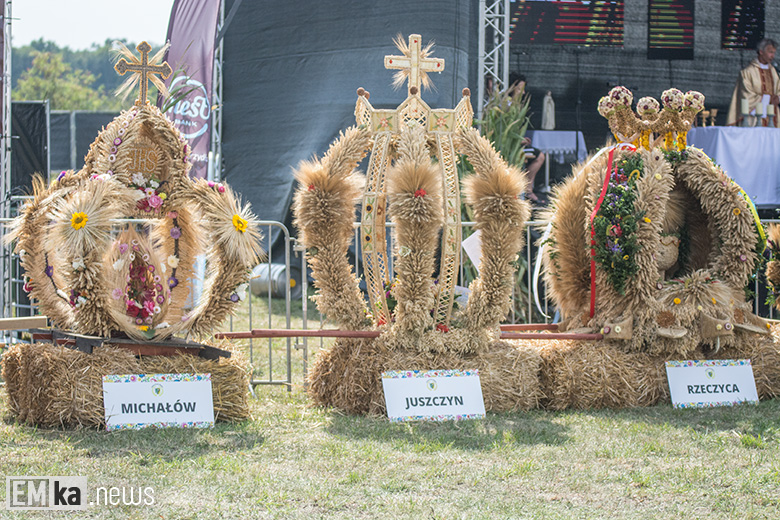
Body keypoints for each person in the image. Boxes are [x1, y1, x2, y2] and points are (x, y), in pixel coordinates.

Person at [508, 73, 546, 203]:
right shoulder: (507, 105)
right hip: (510, 147)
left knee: (538, 155)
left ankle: (527, 189)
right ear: (512, 88)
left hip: (516, 144)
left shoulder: (514, 105)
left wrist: (521, 138)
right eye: (520, 89)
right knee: (540, 156)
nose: (523, 93)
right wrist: (519, 140)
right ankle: (528, 190)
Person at [727, 38, 780, 127]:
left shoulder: (774, 71)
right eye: (770, 52)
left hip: (773, 115)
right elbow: (746, 95)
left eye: (774, 53)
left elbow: (778, 89)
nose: (773, 56)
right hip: (753, 118)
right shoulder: (748, 72)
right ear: (761, 52)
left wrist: (778, 98)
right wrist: (768, 99)